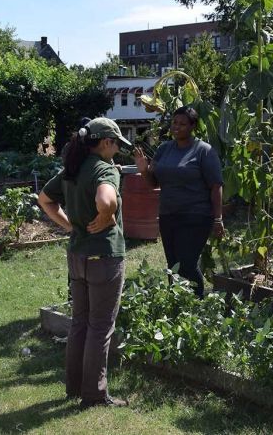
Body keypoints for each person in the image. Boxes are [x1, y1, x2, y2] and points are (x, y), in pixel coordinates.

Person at [38, 117, 131, 408]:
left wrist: (69, 225)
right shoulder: (104, 169)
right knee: (100, 327)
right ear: (106, 142)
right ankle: (94, 395)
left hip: (77, 256)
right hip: (104, 258)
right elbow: (106, 201)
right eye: (116, 144)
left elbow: (44, 199)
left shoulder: (72, 169)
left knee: (80, 323)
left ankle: (74, 387)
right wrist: (107, 214)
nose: (117, 151)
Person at [134, 106, 224, 298]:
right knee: (173, 265)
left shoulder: (203, 151)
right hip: (168, 215)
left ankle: (197, 302)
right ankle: (177, 303)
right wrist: (143, 170)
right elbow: (153, 183)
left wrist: (218, 219)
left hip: (196, 216)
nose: (177, 127)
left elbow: (216, 186)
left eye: (183, 124)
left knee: (187, 264)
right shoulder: (164, 149)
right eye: (175, 122)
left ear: (193, 126)